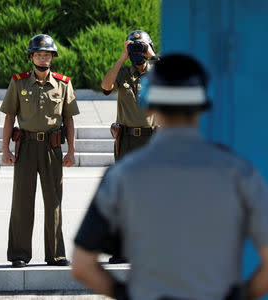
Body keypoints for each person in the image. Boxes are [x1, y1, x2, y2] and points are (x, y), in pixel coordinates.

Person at [71, 54, 268, 299]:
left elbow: (82, 265)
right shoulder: (239, 172)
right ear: (203, 105)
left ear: (148, 104)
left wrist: (128, 295)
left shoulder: (121, 175)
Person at [0, 34, 79, 268]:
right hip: (25, 147)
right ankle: (19, 254)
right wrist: (5, 149)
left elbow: (69, 120)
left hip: (51, 147)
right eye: (39, 54)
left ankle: (55, 254)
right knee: (22, 201)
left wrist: (71, 150)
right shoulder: (19, 82)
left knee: (53, 201)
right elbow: (9, 117)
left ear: (52, 57)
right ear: (31, 57)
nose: (43, 58)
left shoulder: (63, 83)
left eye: (47, 55)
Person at [101, 29, 159, 264]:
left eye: (141, 47)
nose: (138, 52)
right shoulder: (123, 73)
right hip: (126, 140)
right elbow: (105, 86)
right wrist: (122, 57)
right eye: (133, 47)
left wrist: (151, 54)